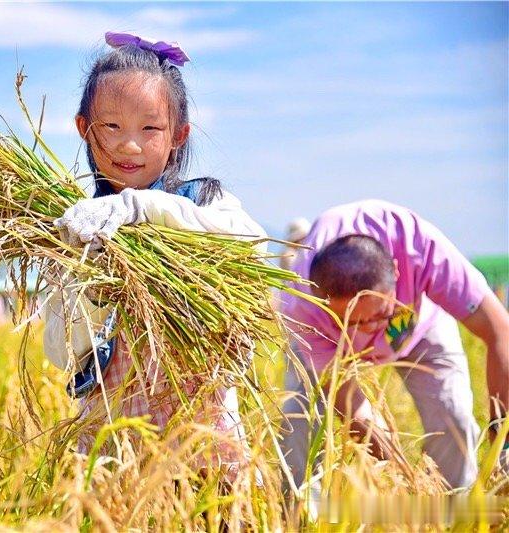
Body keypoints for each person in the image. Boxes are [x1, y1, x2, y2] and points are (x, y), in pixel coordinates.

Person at [43, 32, 267, 473]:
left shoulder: (202, 202)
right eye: (111, 127)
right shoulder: (79, 227)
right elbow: (59, 351)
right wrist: (96, 287)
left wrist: (144, 207)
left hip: (204, 444)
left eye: (150, 129)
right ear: (84, 130)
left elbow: (251, 247)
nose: (130, 145)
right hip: (116, 450)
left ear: (177, 136)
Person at [279, 199, 509, 491]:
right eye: (353, 321)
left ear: (397, 275)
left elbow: (500, 331)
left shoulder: (419, 247)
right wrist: (407, 478)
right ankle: (300, 514)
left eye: (377, 315)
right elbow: (350, 402)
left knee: (453, 417)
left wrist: (503, 440)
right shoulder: (303, 304)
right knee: (299, 417)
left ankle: (458, 509)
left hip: (418, 325)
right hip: (329, 344)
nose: (369, 331)